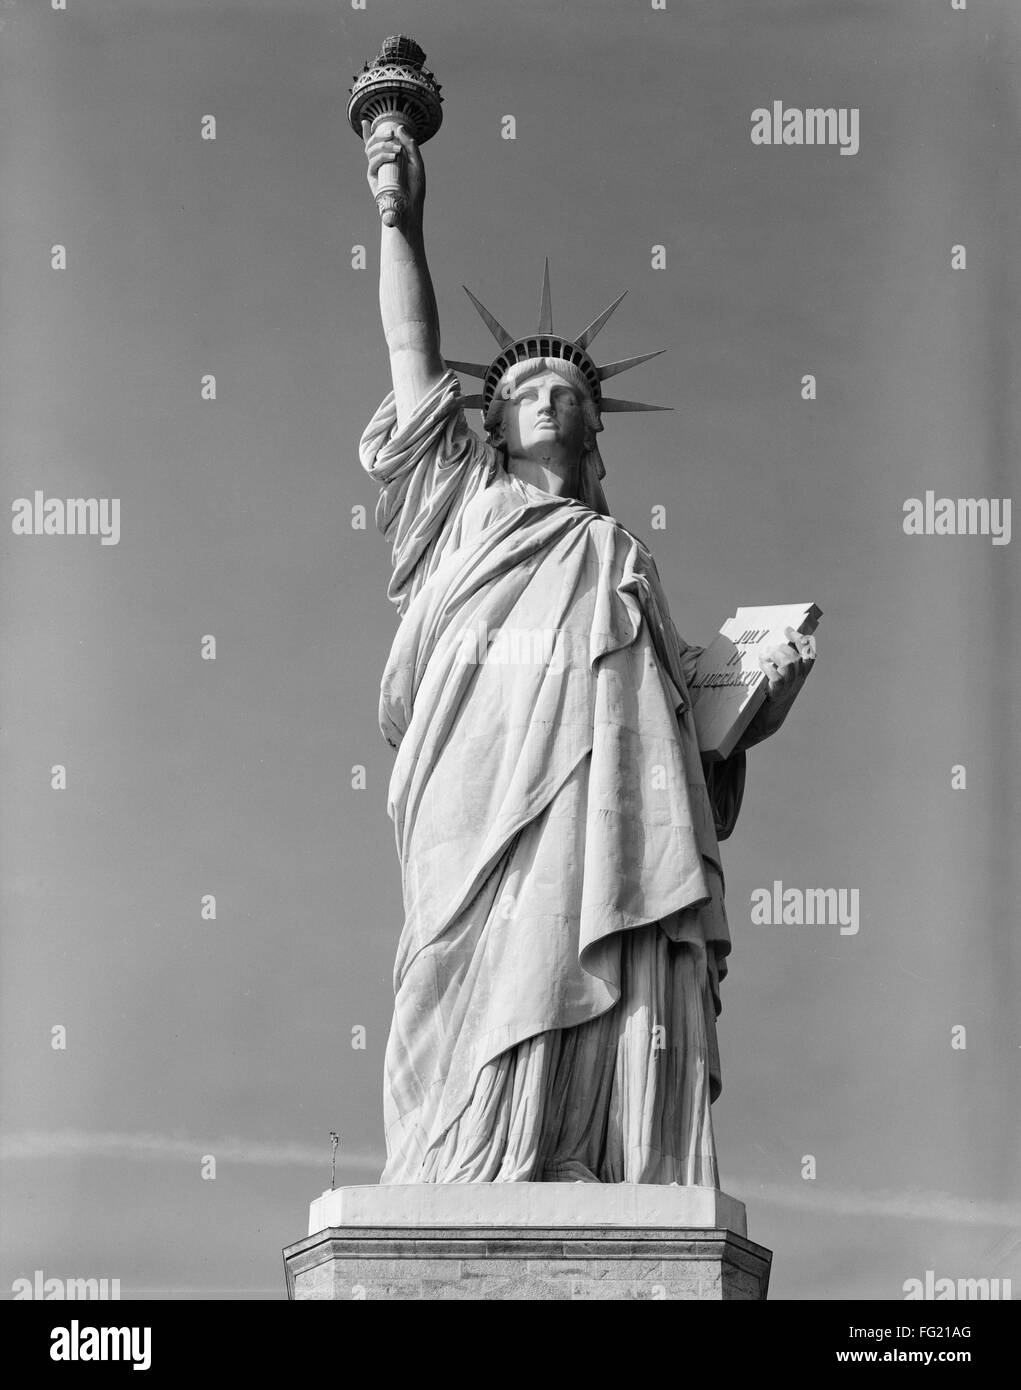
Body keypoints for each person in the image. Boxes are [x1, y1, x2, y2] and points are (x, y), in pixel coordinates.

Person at [358, 120, 816, 1185]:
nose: (548, 399)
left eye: (569, 392)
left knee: (607, 920)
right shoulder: (464, 502)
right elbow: (411, 355)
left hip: (611, 791)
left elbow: (684, 721)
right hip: (478, 775)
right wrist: (401, 217)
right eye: (523, 392)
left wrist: (755, 704)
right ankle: (469, 1152)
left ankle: (593, 1146)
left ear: (594, 428)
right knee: (464, 950)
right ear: (494, 424)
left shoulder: (620, 553)